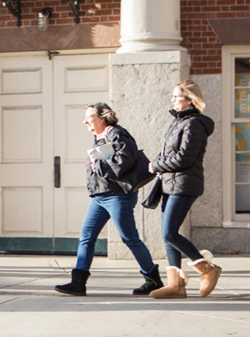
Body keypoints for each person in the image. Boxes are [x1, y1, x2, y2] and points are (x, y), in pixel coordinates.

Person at [54, 103, 162, 297]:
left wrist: (100, 166)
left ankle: (153, 280)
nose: (85, 121)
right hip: (100, 196)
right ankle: (78, 282)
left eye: (89, 117)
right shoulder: (100, 138)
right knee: (87, 235)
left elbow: (125, 160)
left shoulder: (117, 134)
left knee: (129, 238)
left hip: (117, 196)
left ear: (102, 118)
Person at [147, 80, 221, 299]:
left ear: (190, 99)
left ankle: (208, 270)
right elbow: (168, 153)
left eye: (177, 96)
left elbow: (184, 158)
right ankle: (176, 285)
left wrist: (157, 165)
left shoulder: (195, 124)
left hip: (185, 183)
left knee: (169, 232)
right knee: (168, 234)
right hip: (170, 182)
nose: (173, 100)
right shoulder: (178, 122)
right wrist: (159, 164)